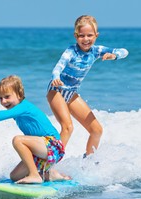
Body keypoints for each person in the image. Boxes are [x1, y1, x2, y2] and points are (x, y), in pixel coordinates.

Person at [47, 15, 129, 156]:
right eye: (81, 36)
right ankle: (47, 163)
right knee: (67, 127)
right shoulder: (71, 51)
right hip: (57, 91)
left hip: (71, 94)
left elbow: (124, 51)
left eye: (90, 35)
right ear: (75, 36)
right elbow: (58, 66)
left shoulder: (96, 51)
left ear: (96, 35)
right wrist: (56, 77)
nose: (86, 39)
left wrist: (114, 56)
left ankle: (88, 164)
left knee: (96, 130)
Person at [0, 75, 69, 184]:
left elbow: (5, 114)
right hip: (41, 150)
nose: (3, 101)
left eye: (7, 96)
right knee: (15, 176)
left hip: (53, 145)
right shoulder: (17, 110)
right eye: (0, 98)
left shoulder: (24, 107)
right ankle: (51, 175)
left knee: (18, 140)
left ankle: (34, 175)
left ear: (19, 95)